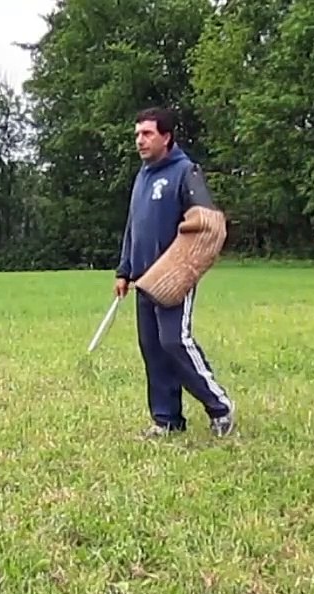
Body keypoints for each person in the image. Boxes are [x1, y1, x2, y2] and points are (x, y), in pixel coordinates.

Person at [114, 106, 236, 438]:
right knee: (152, 349)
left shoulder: (186, 172)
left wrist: (183, 266)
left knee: (174, 342)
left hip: (173, 280)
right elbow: (133, 227)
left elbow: (208, 223)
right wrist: (124, 270)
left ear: (166, 137)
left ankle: (220, 407)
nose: (140, 140)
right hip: (143, 280)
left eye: (147, 133)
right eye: (137, 134)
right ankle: (167, 420)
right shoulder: (142, 176)